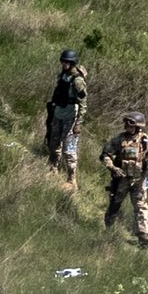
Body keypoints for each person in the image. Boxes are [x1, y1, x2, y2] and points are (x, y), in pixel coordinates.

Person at [100, 111, 148, 246]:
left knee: (141, 206)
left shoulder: (146, 141)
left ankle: (144, 235)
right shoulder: (119, 140)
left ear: (138, 127)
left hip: (139, 180)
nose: (127, 127)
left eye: (130, 125)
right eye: (126, 124)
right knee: (115, 204)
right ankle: (108, 229)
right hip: (122, 180)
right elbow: (105, 155)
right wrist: (113, 168)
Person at [44, 48, 88, 189]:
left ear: (72, 62)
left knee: (69, 149)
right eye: (63, 61)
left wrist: (78, 123)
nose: (64, 64)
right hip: (58, 113)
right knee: (54, 143)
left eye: (67, 62)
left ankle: (71, 180)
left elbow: (83, 103)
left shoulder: (78, 80)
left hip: (71, 116)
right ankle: (53, 168)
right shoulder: (63, 75)